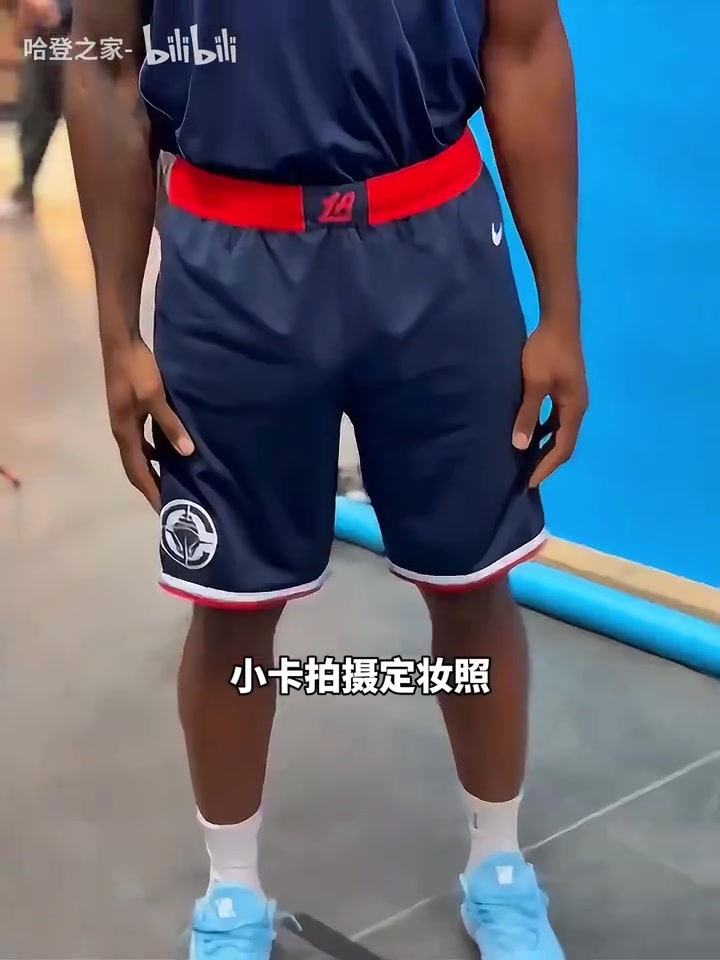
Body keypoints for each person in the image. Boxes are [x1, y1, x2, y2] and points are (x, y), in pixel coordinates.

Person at [65, 0, 588, 957]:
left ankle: (500, 869)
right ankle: (231, 895)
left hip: (437, 249)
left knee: (473, 586)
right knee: (231, 608)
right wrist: (116, 332)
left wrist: (561, 308)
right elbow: (102, 64)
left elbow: (524, 41)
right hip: (231, 269)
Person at [0, 0, 71, 220]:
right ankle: (25, 190)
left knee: (98, 127)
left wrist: (61, 9)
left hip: (85, 35)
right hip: (45, 37)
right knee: (34, 114)